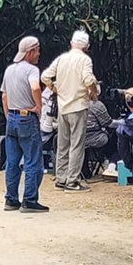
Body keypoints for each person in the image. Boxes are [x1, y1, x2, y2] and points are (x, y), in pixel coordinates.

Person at [41, 30, 99, 192]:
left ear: (72, 43)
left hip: (63, 107)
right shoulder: (85, 60)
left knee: (63, 144)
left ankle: (61, 178)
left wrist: (54, 88)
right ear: (86, 47)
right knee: (77, 144)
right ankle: (72, 181)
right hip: (78, 106)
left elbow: (45, 76)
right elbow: (88, 79)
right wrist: (93, 91)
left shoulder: (61, 59)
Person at [1, 36, 48, 212]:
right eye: (37, 50)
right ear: (30, 52)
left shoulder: (9, 70)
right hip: (27, 117)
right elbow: (35, 87)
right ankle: (29, 200)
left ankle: (11, 199)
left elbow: (4, 96)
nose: (39, 53)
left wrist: (8, 115)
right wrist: (38, 106)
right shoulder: (32, 70)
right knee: (33, 160)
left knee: (12, 161)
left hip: (12, 117)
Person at [85, 97, 117, 176]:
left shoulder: (71, 103)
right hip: (95, 139)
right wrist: (123, 122)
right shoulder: (96, 104)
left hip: (76, 139)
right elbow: (108, 123)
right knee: (116, 136)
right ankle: (111, 165)